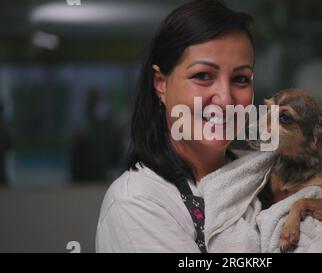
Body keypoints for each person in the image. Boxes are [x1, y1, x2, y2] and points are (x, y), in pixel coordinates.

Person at [96, 0, 255, 252]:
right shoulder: (138, 201)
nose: (225, 99)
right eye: (203, 76)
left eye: (240, 79)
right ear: (161, 83)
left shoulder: (264, 178)